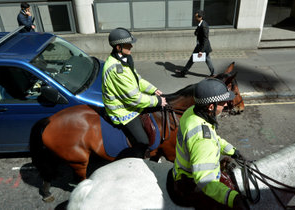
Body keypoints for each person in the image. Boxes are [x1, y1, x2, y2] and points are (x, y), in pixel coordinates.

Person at [171, 78, 245, 209]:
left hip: (180, 171)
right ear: (211, 106)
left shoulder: (192, 112)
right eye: (223, 102)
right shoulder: (204, 139)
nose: (227, 104)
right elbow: (205, 181)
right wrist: (233, 198)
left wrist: (233, 151)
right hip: (192, 183)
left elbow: (215, 138)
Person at [102, 27, 167, 158]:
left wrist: (153, 89)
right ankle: (134, 159)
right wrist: (157, 101)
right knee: (143, 141)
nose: (131, 46)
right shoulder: (116, 69)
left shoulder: (125, 60)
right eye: (128, 44)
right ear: (118, 47)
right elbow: (133, 98)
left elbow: (138, 80)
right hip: (123, 111)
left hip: (130, 103)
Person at [177, 10, 214, 77]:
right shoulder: (200, 24)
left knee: (208, 60)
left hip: (203, 47)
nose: (195, 18)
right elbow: (197, 33)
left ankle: (213, 74)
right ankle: (183, 72)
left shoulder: (204, 26)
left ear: (200, 17)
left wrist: (201, 51)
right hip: (199, 45)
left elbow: (205, 39)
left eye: (196, 17)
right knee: (192, 59)